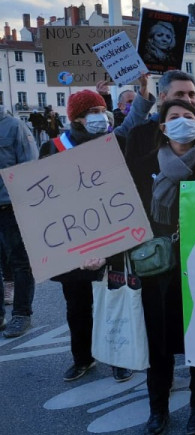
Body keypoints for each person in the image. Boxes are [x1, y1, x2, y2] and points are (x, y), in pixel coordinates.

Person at [122, 98, 195, 435]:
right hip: (156, 265)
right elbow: (124, 211)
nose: (181, 122)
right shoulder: (143, 163)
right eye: (173, 118)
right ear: (162, 128)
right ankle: (157, 408)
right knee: (158, 341)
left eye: (187, 116)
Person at [39, 90, 133, 383]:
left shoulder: (116, 143)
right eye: (92, 110)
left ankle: (119, 356)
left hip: (112, 236)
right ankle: (83, 358)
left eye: (102, 109)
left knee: (115, 300)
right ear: (77, 117)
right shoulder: (54, 147)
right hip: (72, 239)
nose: (100, 116)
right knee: (77, 305)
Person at [124, 70, 195, 166]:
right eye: (179, 94)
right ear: (163, 97)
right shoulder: (140, 134)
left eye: (191, 94)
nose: (187, 100)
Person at [0, 105, 38, 337]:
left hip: (10, 206)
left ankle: (21, 314)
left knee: (20, 262)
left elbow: (29, 165)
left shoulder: (14, 126)